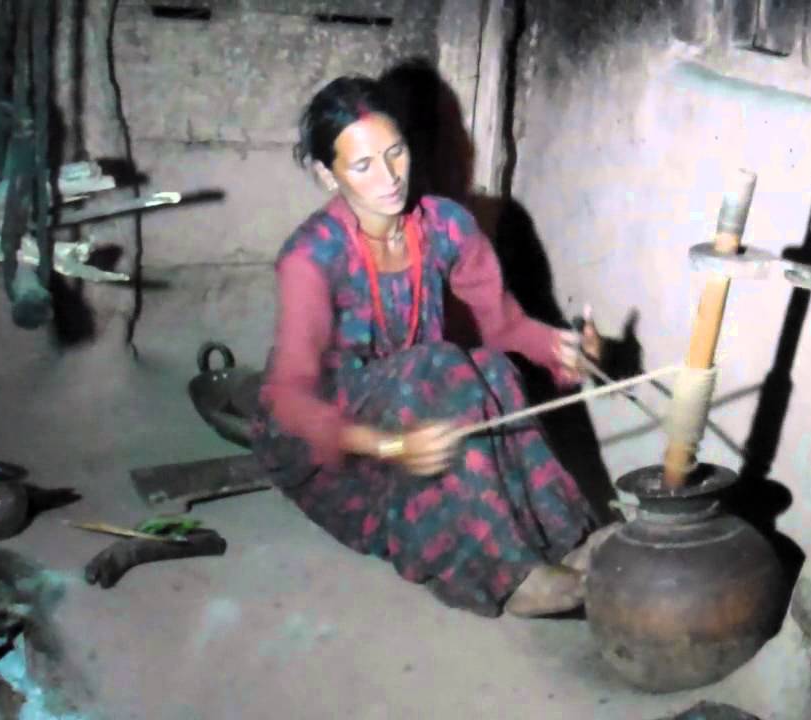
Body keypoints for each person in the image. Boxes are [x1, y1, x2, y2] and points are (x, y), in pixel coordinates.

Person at [252, 74, 609, 618]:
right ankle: (504, 574)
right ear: (328, 176)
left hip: (418, 404)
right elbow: (288, 400)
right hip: (334, 442)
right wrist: (393, 448)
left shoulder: (444, 224)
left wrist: (559, 348)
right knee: (439, 364)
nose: (390, 177)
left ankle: (565, 536)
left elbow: (505, 325)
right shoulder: (310, 258)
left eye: (395, 153)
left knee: (491, 369)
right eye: (362, 165)